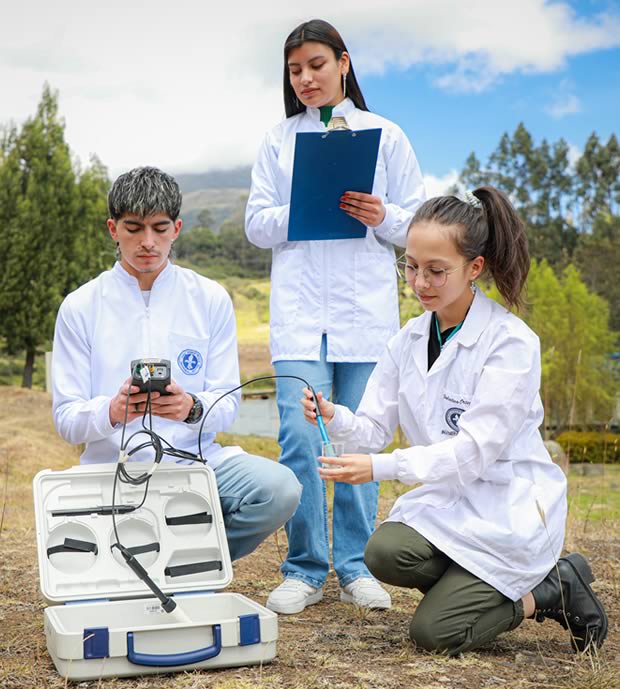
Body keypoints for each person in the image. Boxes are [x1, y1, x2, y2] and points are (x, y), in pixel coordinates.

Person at [302, 187, 608, 655]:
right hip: (452, 505)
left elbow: (472, 452)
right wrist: (334, 416)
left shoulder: (510, 343)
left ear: (475, 268)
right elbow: (373, 430)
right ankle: (476, 588)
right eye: (410, 266)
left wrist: (377, 468)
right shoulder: (407, 340)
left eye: (436, 271)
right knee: (384, 553)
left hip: (510, 510)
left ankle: (550, 589)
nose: (420, 282)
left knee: (434, 634)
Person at [245, 18, 426, 614]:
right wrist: (300, 208)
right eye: (295, 70)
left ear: (343, 63)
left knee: (360, 440)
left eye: (316, 65)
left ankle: (354, 566)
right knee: (300, 438)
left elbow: (416, 226)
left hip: (364, 317)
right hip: (299, 318)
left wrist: (380, 214)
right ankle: (303, 567)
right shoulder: (277, 141)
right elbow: (255, 225)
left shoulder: (387, 136)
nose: (306, 78)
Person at [52, 166, 301, 562]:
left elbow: (228, 402)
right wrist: (112, 412)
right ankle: (150, 566)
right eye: (133, 228)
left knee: (280, 488)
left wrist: (192, 408)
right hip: (110, 469)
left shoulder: (210, 298)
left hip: (196, 462)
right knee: (62, 536)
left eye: (160, 228)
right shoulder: (81, 306)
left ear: (177, 229)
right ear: (113, 229)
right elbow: (66, 418)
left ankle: (189, 564)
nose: (147, 242)